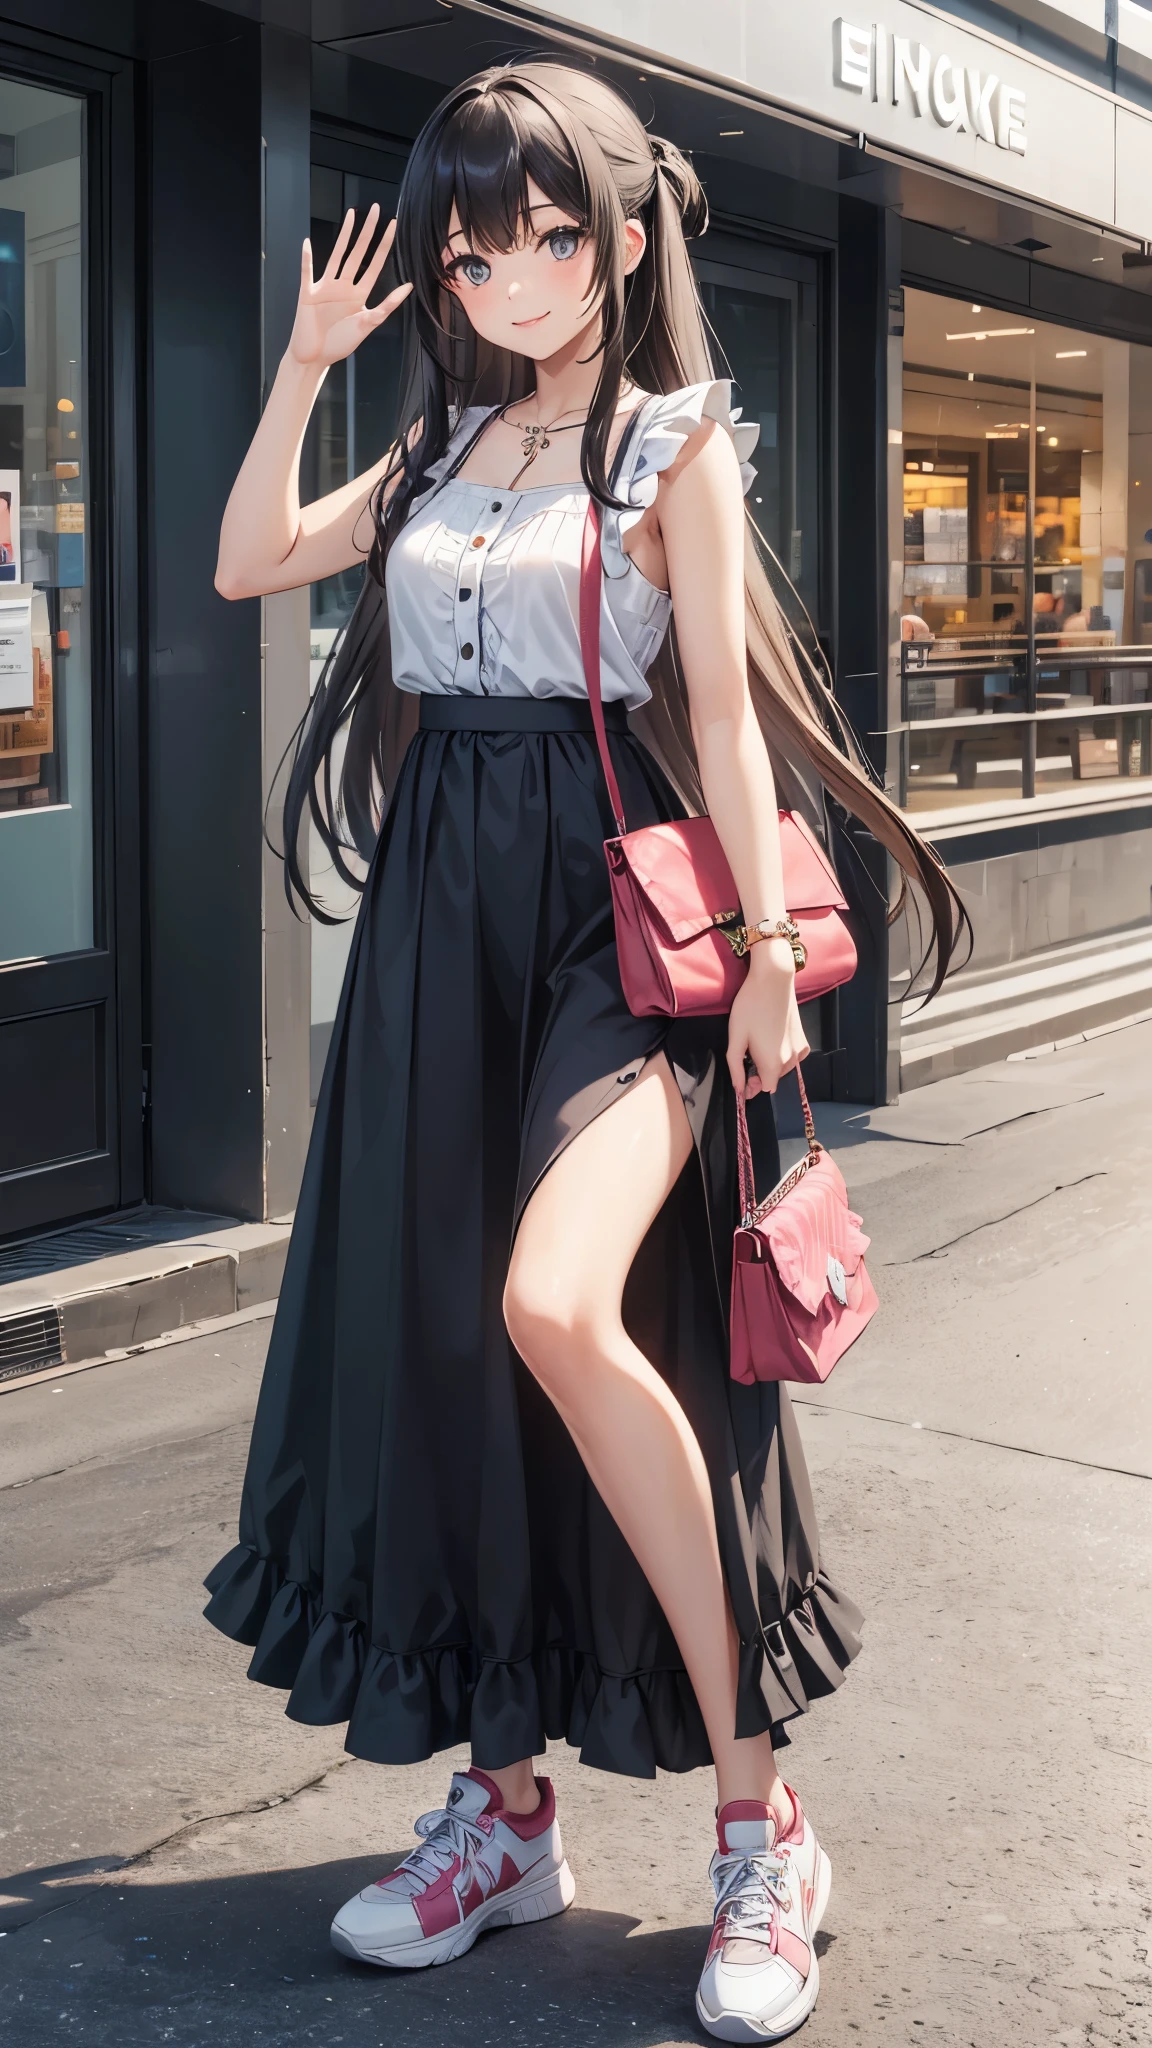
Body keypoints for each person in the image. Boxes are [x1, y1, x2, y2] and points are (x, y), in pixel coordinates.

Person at [205, 61, 965, 2042]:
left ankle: (760, 1820)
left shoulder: (668, 447)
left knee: (560, 1304)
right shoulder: (446, 441)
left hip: (619, 935)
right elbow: (245, 562)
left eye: (554, 229)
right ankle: (507, 1806)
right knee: (458, 1362)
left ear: (623, 236)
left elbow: (721, 719)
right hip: (436, 942)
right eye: (482, 236)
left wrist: (781, 975)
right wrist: (303, 364)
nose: (515, 267)